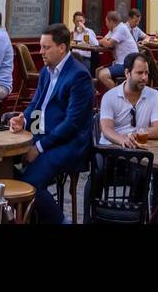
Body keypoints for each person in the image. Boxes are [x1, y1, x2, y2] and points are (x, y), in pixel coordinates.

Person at [10, 23, 95, 224]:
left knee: (29, 183)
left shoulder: (79, 76)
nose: (40, 52)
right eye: (40, 46)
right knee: (2, 165)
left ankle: (61, 221)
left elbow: (72, 124)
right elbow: (36, 103)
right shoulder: (46, 70)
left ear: (62, 48)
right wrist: (24, 118)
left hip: (69, 144)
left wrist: (38, 147)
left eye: (45, 47)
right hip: (43, 135)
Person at [98, 52, 158, 147]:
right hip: (111, 149)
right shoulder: (110, 96)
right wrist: (123, 139)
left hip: (139, 147)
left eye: (146, 73)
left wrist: (135, 135)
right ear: (127, 73)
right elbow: (106, 129)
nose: (144, 77)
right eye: (139, 73)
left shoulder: (154, 95)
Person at [95, 10, 139, 90]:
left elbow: (109, 44)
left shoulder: (121, 28)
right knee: (98, 71)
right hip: (120, 62)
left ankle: (118, 95)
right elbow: (103, 40)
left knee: (102, 75)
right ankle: (102, 96)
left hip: (128, 64)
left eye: (106, 22)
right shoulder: (113, 30)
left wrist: (103, 41)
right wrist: (103, 41)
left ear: (111, 22)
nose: (106, 24)